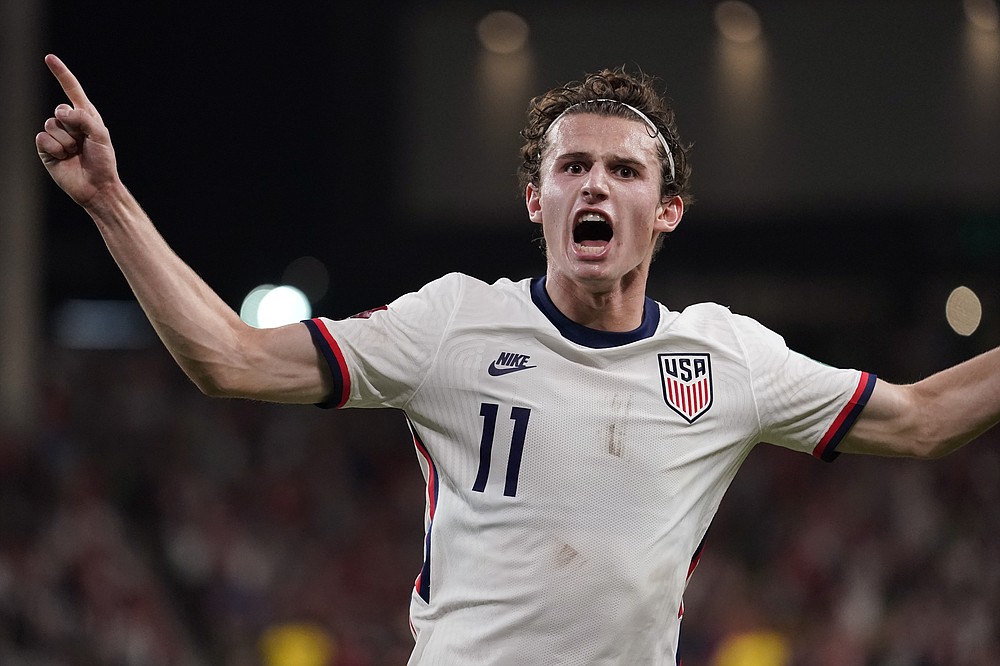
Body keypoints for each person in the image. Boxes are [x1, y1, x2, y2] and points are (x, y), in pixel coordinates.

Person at [36, 53, 1000, 665]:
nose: (596, 183)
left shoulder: (724, 359)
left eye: (626, 170)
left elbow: (919, 421)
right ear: (535, 201)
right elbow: (231, 359)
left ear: (665, 212)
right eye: (571, 166)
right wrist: (110, 203)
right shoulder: (452, 326)